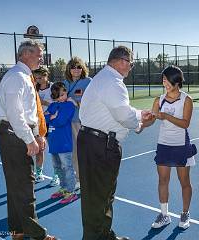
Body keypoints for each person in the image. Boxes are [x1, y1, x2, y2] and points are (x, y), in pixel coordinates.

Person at [77, 46, 153, 240]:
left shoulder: (105, 79)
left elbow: (119, 109)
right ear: (122, 61)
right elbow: (122, 115)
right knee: (98, 197)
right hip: (100, 145)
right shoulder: (112, 81)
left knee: (102, 195)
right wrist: (140, 122)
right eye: (131, 63)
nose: (131, 68)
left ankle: (103, 235)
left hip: (95, 143)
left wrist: (138, 114)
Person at [0, 40, 56, 240]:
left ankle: (17, 231)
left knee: (15, 187)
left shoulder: (24, 76)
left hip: (17, 133)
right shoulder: (17, 77)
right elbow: (15, 113)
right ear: (26, 54)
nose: (41, 58)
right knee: (24, 187)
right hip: (15, 135)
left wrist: (38, 134)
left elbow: (31, 111)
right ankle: (38, 235)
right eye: (39, 54)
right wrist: (30, 139)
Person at [140, 66, 197, 230]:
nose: (164, 82)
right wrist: (141, 124)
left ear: (177, 81)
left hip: (181, 145)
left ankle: (185, 213)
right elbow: (152, 119)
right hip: (163, 144)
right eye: (163, 79)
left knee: (184, 182)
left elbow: (185, 123)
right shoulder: (159, 100)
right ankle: (164, 215)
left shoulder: (187, 100)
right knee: (163, 180)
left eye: (167, 79)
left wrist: (166, 116)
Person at [44, 82, 78, 204]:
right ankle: (63, 188)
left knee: (67, 167)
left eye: (64, 94)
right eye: (59, 95)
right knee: (57, 168)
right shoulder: (53, 105)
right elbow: (44, 118)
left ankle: (71, 191)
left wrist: (52, 118)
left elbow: (61, 121)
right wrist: (52, 117)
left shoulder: (69, 105)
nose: (62, 97)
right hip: (53, 143)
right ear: (54, 97)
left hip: (64, 144)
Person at [63, 57, 91, 191]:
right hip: (67, 123)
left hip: (84, 121)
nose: (76, 69)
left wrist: (76, 102)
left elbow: (92, 101)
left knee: (87, 151)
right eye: (73, 67)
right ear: (69, 69)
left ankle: (89, 177)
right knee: (73, 152)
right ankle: (79, 179)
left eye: (79, 67)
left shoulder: (88, 82)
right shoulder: (64, 83)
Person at [33, 66, 59, 187]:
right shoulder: (34, 87)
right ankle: (39, 173)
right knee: (39, 148)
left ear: (46, 75)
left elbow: (59, 103)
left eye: (41, 77)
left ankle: (56, 175)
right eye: (37, 77)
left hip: (51, 121)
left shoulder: (53, 87)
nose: (39, 80)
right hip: (38, 122)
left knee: (54, 149)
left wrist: (44, 103)